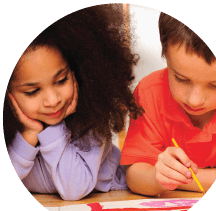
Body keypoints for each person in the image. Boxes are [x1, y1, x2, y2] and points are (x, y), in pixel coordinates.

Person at [4, 5, 143, 200]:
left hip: (115, 196)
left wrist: (50, 129)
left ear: (78, 72)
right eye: (32, 91)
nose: (53, 101)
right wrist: (27, 137)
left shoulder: (93, 122)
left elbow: (75, 189)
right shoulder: (13, 131)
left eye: (61, 81)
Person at [120, 12, 216, 196]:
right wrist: (157, 177)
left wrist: (177, 180)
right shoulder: (150, 93)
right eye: (181, 79)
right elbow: (134, 177)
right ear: (165, 55)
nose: (194, 100)